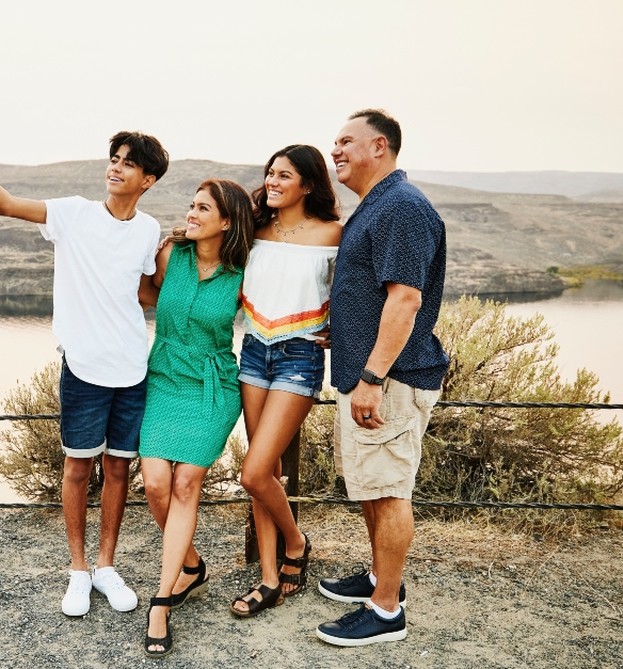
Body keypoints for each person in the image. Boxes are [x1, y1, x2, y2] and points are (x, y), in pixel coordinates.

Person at [0, 114, 169, 618]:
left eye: (129, 164)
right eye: (113, 160)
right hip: (85, 369)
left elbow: (144, 292)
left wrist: (175, 249)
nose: (116, 169)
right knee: (78, 468)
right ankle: (77, 571)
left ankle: (106, 566)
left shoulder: (148, 229)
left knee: (119, 469)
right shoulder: (74, 214)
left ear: (149, 180)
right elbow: (7, 205)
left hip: (132, 368)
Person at [314, 109, 448, 647]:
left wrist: (371, 375)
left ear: (381, 147)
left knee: (389, 490)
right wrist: (341, 330)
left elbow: (406, 299)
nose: (336, 151)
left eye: (347, 141)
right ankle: (377, 578)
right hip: (369, 374)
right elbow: (373, 293)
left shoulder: (402, 208)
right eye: (334, 143)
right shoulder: (379, 205)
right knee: (372, 486)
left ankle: (387, 610)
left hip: (388, 380)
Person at [138, 179, 255, 657]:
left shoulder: (243, 273)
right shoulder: (171, 256)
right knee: (156, 486)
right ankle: (190, 565)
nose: (191, 213)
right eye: (191, 205)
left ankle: (161, 603)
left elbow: (273, 316)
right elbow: (145, 294)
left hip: (212, 385)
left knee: (187, 483)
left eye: (202, 207)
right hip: (163, 377)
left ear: (226, 221)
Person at [229, 145, 341, 618]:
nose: (272, 182)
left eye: (284, 175)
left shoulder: (334, 233)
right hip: (253, 350)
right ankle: (270, 579)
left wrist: (343, 327)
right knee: (265, 474)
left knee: (253, 471)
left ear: (309, 185)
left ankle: (296, 543)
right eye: (270, 173)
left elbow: (358, 291)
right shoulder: (253, 230)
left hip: (300, 356)